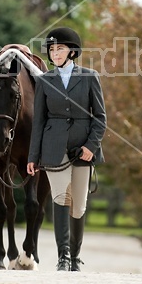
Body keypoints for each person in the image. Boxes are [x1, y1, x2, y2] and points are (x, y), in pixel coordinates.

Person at [27, 27, 107, 271]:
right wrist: (33, 156)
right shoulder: (44, 81)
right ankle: (63, 256)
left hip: (83, 148)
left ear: (72, 52)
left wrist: (91, 147)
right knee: (61, 197)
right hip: (53, 147)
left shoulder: (90, 77)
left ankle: (75, 257)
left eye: (59, 49)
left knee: (79, 204)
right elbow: (39, 121)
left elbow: (100, 118)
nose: (55, 53)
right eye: (52, 50)